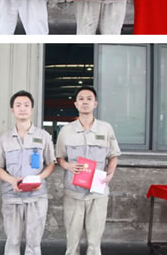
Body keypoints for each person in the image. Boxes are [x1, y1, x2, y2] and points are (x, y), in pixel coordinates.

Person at [56, 87, 120, 255]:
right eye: (81, 99)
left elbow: (113, 155)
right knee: (72, 242)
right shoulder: (66, 130)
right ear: (76, 104)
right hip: (73, 193)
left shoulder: (105, 129)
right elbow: (60, 157)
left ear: (95, 104)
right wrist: (68, 166)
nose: (85, 102)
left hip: (97, 193)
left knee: (94, 243)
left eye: (89, 99)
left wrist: (110, 174)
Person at [0, 90, 56, 255]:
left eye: (26, 105)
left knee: (34, 243)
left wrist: (38, 178)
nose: (22, 108)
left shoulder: (43, 136)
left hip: (37, 196)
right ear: (12, 110)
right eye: (18, 105)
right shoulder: (4, 138)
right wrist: (12, 180)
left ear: (32, 109)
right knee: (12, 241)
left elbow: (51, 164)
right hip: (12, 196)